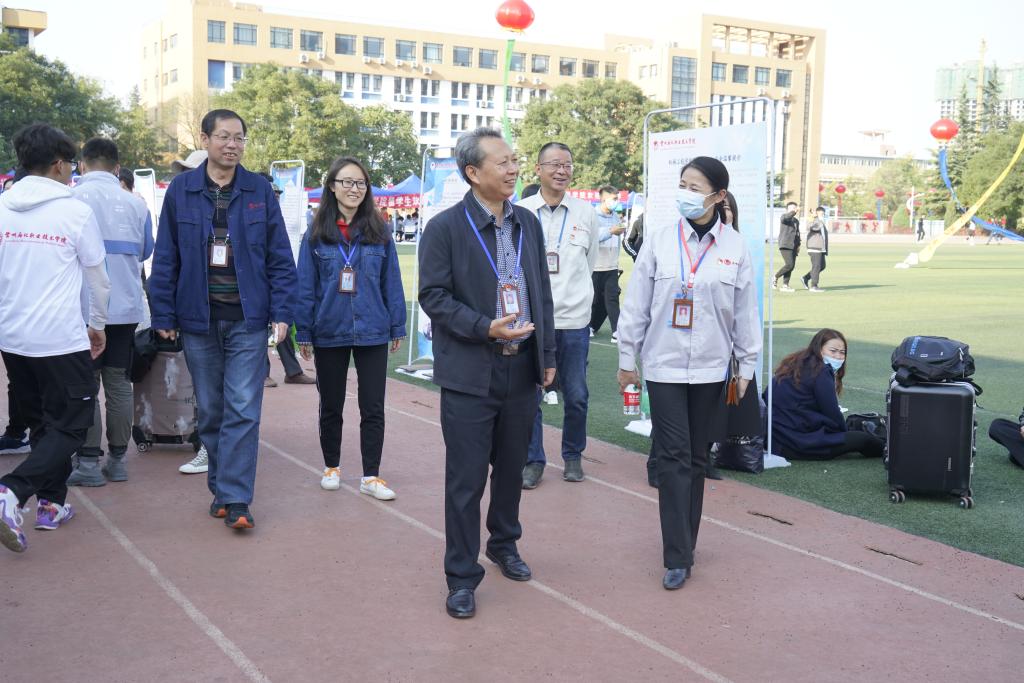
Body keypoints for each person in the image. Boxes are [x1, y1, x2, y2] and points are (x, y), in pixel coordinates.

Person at [418, 127, 555, 619]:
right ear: (473, 173)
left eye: (515, 160)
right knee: (466, 480)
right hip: (470, 372)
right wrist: (484, 328)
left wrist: (547, 355)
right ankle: (461, 576)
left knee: (512, 469)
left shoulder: (527, 224)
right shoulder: (445, 228)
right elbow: (433, 296)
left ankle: (504, 542)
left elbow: (540, 291)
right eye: (503, 162)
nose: (514, 168)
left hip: (522, 369)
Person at [148, 109, 297, 531]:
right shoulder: (181, 191)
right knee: (212, 411)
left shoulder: (259, 190)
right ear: (205, 139)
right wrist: (163, 313)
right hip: (198, 320)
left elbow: (280, 256)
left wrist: (283, 312)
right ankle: (221, 485)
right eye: (224, 136)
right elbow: (166, 256)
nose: (232, 145)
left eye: (239, 138)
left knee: (244, 408)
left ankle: (236, 499)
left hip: (248, 319)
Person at [617, 156, 760, 590]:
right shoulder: (660, 241)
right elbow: (636, 305)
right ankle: (677, 556)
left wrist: (747, 365)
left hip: (712, 370)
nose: (686, 193)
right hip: (663, 367)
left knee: (698, 457)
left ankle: (686, 542)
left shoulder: (735, 247)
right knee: (674, 456)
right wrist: (627, 360)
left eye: (695, 187)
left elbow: (744, 312)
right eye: (683, 184)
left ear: (719, 196)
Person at [0, 123, 111, 553]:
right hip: (60, 339)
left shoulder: (3, 206)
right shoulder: (74, 211)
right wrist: (97, 324)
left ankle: (52, 504)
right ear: (60, 165)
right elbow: (98, 279)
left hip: (13, 337)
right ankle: (12, 491)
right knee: (72, 425)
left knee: (43, 423)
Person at [295, 156, 406, 499]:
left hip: (373, 328)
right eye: (346, 182)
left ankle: (371, 476)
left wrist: (397, 325)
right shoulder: (316, 235)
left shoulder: (379, 232)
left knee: (373, 407)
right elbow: (305, 286)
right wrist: (304, 331)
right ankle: (331, 466)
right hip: (329, 329)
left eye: (360, 183)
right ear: (332, 186)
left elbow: (391, 281)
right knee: (331, 404)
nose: (354, 189)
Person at [65, 138, 154, 486]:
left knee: (85, 384)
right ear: (117, 167)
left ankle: (88, 462)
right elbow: (145, 251)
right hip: (125, 306)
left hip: (82, 307)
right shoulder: (136, 205)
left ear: (82, 165)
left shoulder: (69, 199)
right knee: (118, 383)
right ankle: (118, 461)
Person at [516, 142, 600, 488]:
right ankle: (533, 460)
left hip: (574, 320)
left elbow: (589, 264)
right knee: (530, 395)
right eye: (554, 164)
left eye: (567, 164)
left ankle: (573, 455)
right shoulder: (520, 210)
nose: (562, 171)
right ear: (538, 169)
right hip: (532, 321)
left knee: (576, 395)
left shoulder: (585, 213)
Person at [769, 329, 883, 460]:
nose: (838, 356)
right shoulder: (821, 370)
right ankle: (888, 450)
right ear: (819, 349)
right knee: (863, 439)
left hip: (774, 439)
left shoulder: (794, 362)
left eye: (842, 352)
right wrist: (844, 433)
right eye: (833, 351)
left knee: (851, 428)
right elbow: (832, 412)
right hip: (798, 442)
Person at [256, 172, 315, 389]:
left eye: (277, 194)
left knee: (284, 323)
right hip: (257, 282)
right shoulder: (250, 213)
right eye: (273, 194)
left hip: (277, 280)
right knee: (258, 328)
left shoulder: (275, 215)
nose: (276, 197)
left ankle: (292, 371)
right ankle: (261, 373)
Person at [590, 185, 625, 342]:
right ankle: (589, 325)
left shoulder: (615, 216)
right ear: (603, 198)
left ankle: (617, 331)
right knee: (594, 299)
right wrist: (610, 231)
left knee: (612, 298)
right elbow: (592, 237)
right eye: (614, 198)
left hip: (611, 265)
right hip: (595, 265)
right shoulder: (592, 215)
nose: (616, 201)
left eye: (617, 198)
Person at [773, 201, 800, 292]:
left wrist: (798, 245)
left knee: (791, 266)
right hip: (785, 244)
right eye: (792, 208)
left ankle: (785, 285)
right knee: (789, 264)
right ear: (787, 209)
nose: (794, 209)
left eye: (795, 207)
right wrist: (794, 211)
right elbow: (786, 218)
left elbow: (797, 233)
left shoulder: (796, 221)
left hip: (793, 245)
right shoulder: (784, 216)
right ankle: (775, 276)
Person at [800, 206, 829, 293]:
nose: (822, 215)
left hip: (821, 248)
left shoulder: (821, 222)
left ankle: (806, 278)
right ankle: (814, 286)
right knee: (816, 266)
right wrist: (816, 218)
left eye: (823, 213)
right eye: (821, 213)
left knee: (822, 266)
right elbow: (812, 227)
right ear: (816, 213)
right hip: (814, 247)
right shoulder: (814, 220)